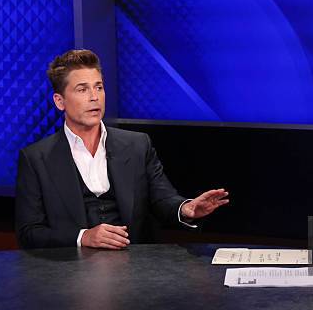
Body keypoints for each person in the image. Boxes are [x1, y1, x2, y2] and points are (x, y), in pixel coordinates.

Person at [15, 49, 228, 249]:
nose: (94, 97)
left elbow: (162, 199)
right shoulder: (36, 158)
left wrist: (186, 209)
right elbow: (29, 232)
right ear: (59, 101)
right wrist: (83, 236)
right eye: (82, 89)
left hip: (135, 268)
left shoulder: (137, 145)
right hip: (71, 272)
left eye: (98, 87)